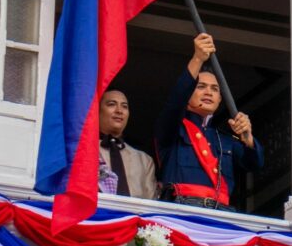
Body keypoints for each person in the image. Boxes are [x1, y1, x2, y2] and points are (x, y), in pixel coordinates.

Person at [155, 33, 263, 210]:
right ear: (189, 93)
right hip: (182, 210)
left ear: (220, 99)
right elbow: (175, 102)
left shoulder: (225, 138)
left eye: (214, 89)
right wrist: (197, 59)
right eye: (201, 86)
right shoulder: (173, 128)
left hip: (220, 214)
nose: (208, 93)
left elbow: (254, 164)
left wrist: (248, 138)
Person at [98, 89, 159, 199]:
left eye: (124, 106)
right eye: (112, 104)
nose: (119, 111)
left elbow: (151, 204)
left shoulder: (144, 160)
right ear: (97, 110)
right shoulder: (82, 151)